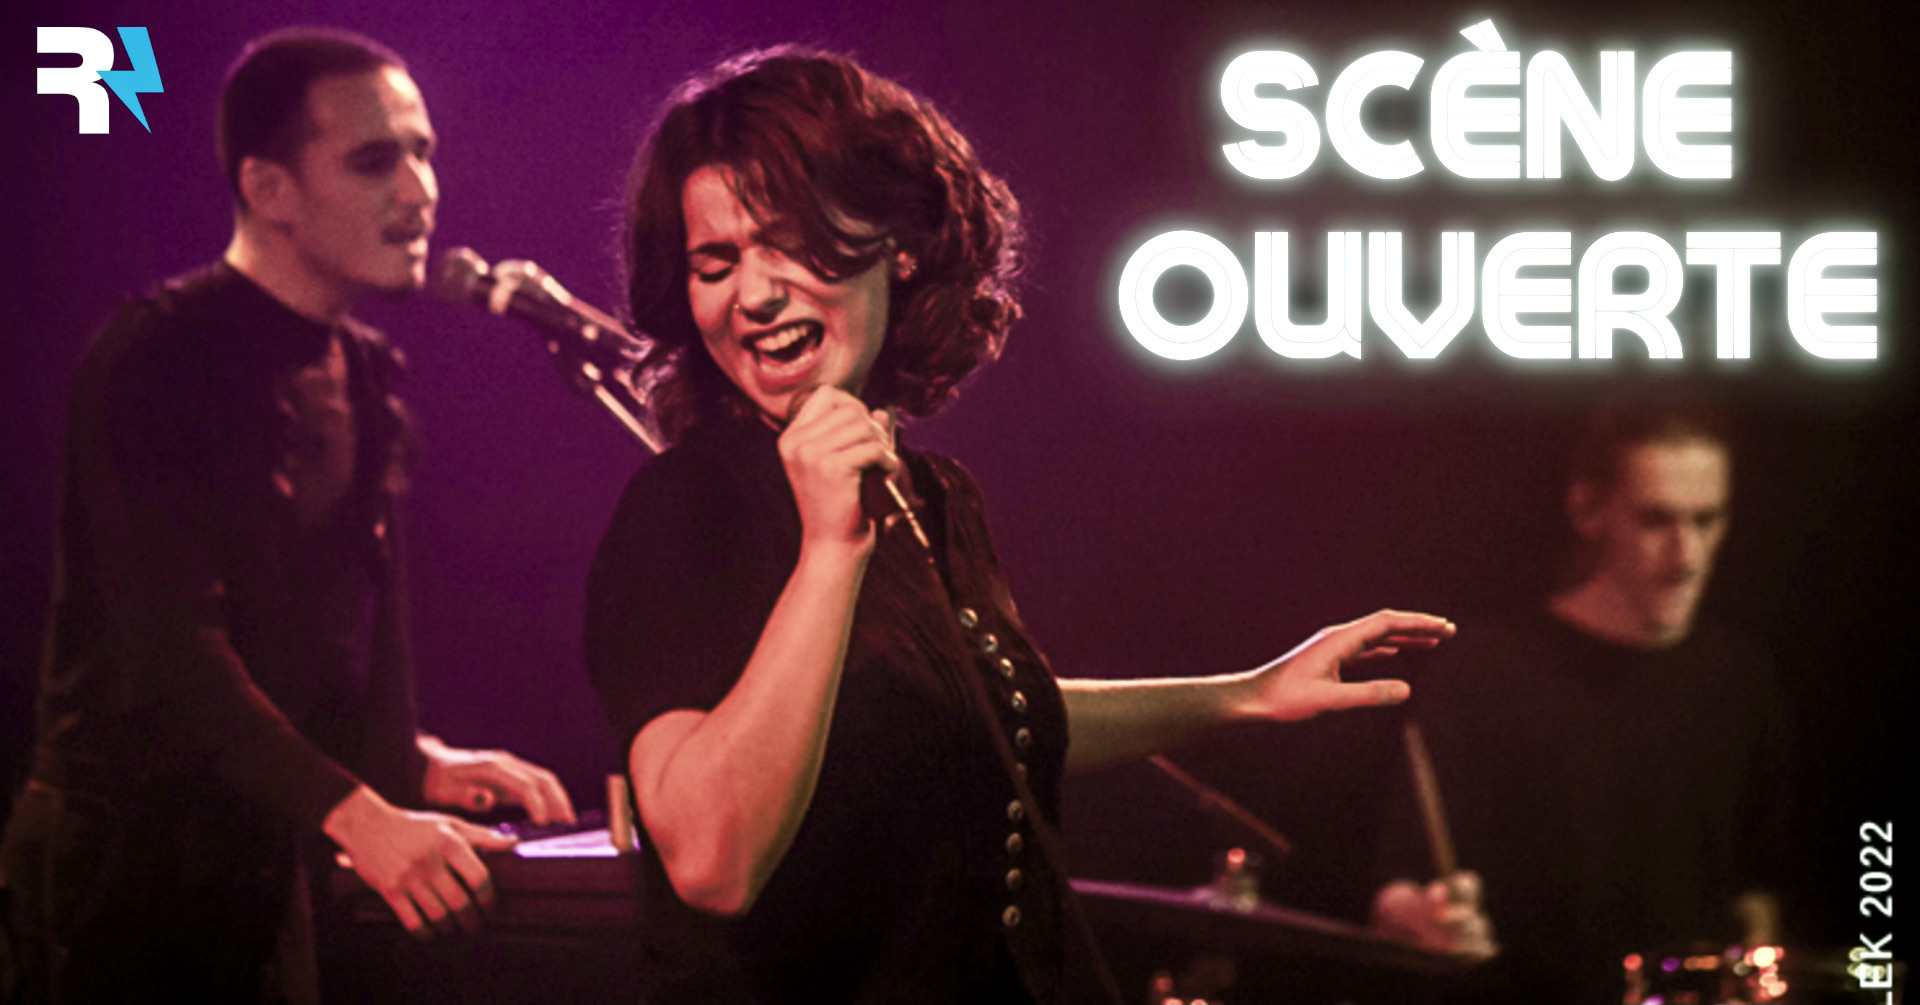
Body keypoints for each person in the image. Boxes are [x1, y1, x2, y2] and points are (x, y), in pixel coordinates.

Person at [585, 46, 1454, 1004]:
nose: (753, 294)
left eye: (787, 243)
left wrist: (1246, 694)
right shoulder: (688, 506)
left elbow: (978, 713)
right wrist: (830, 552)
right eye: (715, 264)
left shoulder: (936, 495)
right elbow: (711, 857)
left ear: (898, 242)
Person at [0, 27, 575, 1004]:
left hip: (258, 871)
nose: (420, 191)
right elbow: (166, 654)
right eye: (374, 160)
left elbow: (319, 646)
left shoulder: (370, 371)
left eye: (423, 152)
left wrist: (411, 761)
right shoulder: (154, 358)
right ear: (269, 189)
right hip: (121, 883)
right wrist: (359, 812)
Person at [1370, 391, 1790, 1004]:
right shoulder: (1484, 672)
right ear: (1588, 509)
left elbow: (1759, 893)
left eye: (1707, 520)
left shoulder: (1742, 679)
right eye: (1657, 520)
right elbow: (1394, 891)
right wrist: (1425, 920)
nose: (1688, 556)